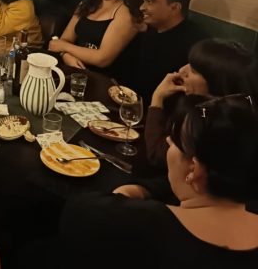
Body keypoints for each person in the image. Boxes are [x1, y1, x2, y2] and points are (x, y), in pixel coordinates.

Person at [60, 95, 258, 268]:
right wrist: (142, 189)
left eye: (174, 141)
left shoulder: (140, 223)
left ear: (194, 168)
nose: (168, 143)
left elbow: (76, 213)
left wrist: (120, 200)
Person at [144, 38, 257, 166]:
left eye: (193, 70)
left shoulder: (211, 126)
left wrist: (157, 98)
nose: (182, 70)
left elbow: (156, 154)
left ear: (216, 85)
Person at [48, 0, 142, 84]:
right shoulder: (88, 3)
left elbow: (102, 58)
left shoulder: (126, 12)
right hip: (73, 72)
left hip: (103, 80)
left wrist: (64, 47)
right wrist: (66, 56)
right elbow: (65, 39)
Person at [136, 0, 204, 101]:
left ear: (174, 7)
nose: (142, 7)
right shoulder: (149, 30)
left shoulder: (195, 45)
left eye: (150, 1)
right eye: (144, 1)